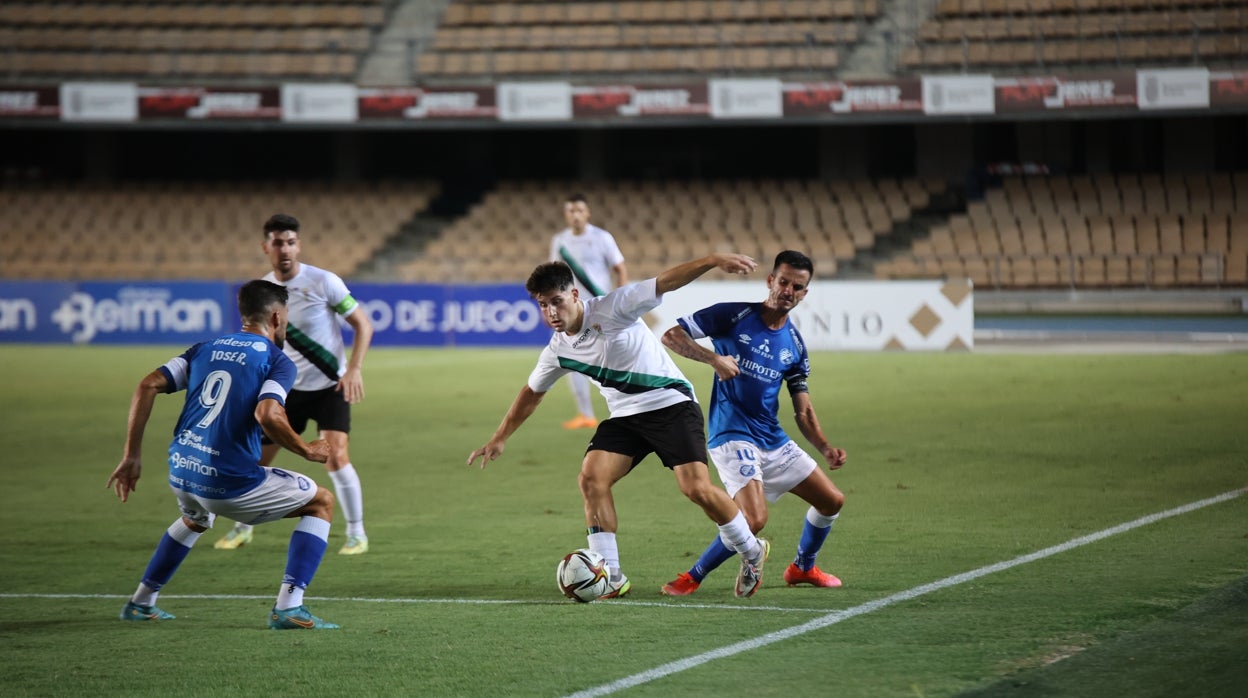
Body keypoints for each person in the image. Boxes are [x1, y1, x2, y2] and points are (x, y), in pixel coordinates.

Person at [467, 254, 772, 599]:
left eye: (557, 301)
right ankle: (611, 575)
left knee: (696, 489)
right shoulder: (557, 350)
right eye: (543, 305)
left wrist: (714, 260)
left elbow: (665, 281)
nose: (551, 312)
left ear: (574, 295)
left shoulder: (613, 307)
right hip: (626, 417)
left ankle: (751, 550)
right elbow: (532, 393)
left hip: (670, 404)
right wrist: (499, 438)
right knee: (591, 478)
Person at [106, 280, 340, 629]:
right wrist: (307, 449)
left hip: (182, 470)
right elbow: (268, 414)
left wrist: (132, 455)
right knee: (321, 502)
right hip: (227, 482)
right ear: (277, 317)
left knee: (196, 518)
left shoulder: (205, 348)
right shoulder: (276, 360)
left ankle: (141, 602)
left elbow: (148, 384)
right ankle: (289, 608)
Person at [658, 250, 848, 596]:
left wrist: (824, 447)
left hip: (771, 437)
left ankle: (802, 568)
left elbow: (802, 410)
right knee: (754, 519)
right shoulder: (733, 314)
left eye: (797, 287)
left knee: (831, 501)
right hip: (731, 433)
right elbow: (671, 336)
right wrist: (714, 359)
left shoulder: (794, 345)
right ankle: (693, 576)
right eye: (784, 282)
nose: (788, 290)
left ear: (804, 293)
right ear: (770, 281)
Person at [215, 213, 374, 555]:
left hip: (330, 386)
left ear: (298, 245)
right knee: (256, 460)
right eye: (277, 243)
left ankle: (356, 533)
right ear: (265, 247)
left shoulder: (324, 282)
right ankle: (242, 527)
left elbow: (363, 324)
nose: (284, 249)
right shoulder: (263, 291)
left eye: (290, 242)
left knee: (336, 457)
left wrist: (354, 369)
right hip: (285, 389)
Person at [549, 193, 628, 430]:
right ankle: (586, 415)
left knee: (613, 357)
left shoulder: (602, 238)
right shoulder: (560, 241)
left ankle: (630, 407)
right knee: (572, 359)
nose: (575, 215)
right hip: (572, 311)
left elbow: (620, 268)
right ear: (565, 215)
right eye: (571, 211)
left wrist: (620, 299)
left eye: (579, 210)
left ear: (588, 213)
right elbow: (553, 274)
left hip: (599, 307)